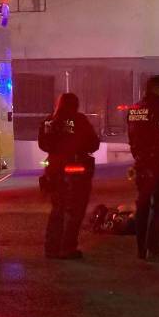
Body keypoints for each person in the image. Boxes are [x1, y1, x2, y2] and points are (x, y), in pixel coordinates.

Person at [38, 93, 100, 259]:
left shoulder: (49, 121)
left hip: (53, 169)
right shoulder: (79, 120)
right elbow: (94, 143)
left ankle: (51, 248)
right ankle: (68, 248)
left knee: (57, 209)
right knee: (75, 211)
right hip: (75, 169)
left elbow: (43, 144)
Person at [127, 75, 159, 262]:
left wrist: (138, 158)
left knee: (141, 206)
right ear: (158, 89)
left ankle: (140, 249)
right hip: (157, 165)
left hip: (141, 164)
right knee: (158, 207)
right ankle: (154, 246)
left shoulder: (134, 110)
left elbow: (131, 138)